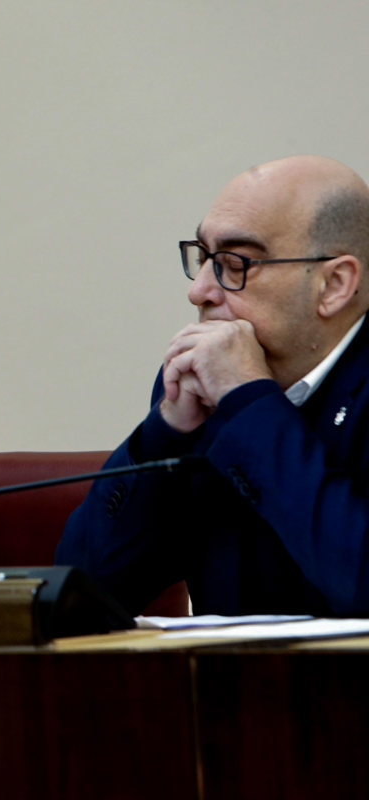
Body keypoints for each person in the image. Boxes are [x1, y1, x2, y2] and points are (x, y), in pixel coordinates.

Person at [56, 155, 369, 617]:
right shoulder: (204, 392)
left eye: (235, 262)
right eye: (203, 257)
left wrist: (249, 406)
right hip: (222, 686)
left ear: (334, 285)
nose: (199, 289)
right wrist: (165, 431)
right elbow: (81, 597)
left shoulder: (237, 393)